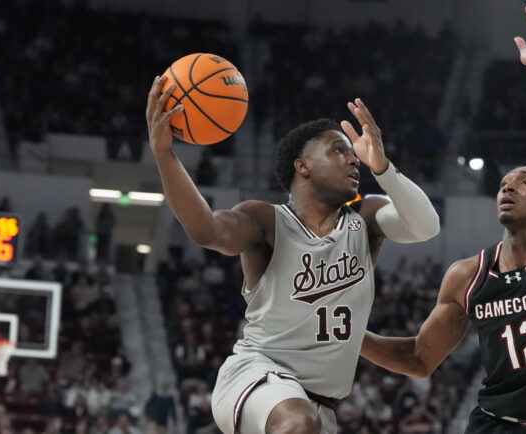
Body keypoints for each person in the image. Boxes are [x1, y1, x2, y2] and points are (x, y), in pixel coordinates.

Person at [360, 3, 526, 432]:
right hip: (493, 424)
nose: (508, 187)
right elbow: (420, 359)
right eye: (504, 183)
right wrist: (350, 336)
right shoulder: (467, 276)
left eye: (525, 182)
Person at [145, 76, 440, 432]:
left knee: (303, 421)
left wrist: (384, 169)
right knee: (298, 421)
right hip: (258, 375)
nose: (353, 159)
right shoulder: (266, 220)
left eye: (353, 153)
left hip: (321, 404)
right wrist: (164, 155)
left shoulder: (365, 218)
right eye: (338, 150)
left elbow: (426, 227)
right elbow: (206, 231)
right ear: (303, 166)